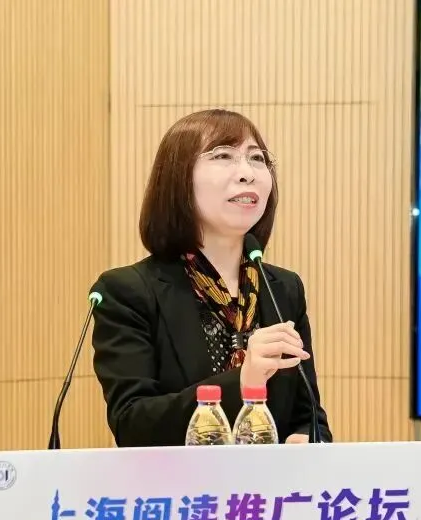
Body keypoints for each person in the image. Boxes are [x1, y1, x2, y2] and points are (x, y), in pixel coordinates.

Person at [90, 108, 332, 447]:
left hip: (269, 481)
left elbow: (309, 415)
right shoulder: (128, 291)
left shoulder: (283, 289)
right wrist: (243, 381)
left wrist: (306, 439)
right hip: (178, 482)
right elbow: (133, 424)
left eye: (257, 158)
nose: (247, 173)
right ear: (178, 178)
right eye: (223, 156)